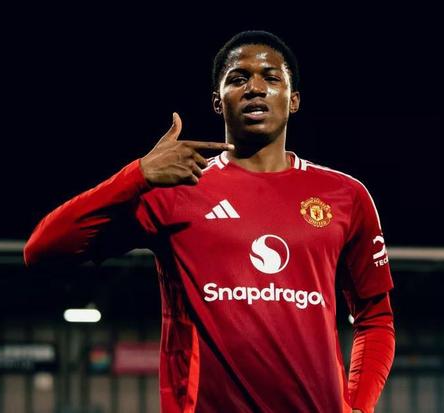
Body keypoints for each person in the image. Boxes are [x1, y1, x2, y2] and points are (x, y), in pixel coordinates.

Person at [24, 30, 395, 413]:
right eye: (238, 78)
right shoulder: (176, 188)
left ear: (294, 100)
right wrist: (137, 174)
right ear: (218, 102)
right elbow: (43, 248)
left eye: (271, 77)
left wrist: (360, 406)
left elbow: (376, 319)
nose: (255, 88)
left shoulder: (345, 196)